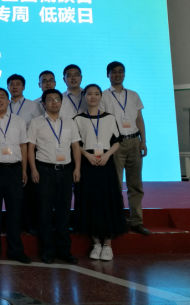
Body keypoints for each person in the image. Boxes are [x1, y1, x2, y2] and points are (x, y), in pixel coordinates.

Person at [27, 88, 81, 265]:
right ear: (43, 104)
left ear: (61, 102)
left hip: (65, 171)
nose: (54, 102)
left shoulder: (70, 122)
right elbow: (30, 148)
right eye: (50, 99)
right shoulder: (36, 123)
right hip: (44, 170)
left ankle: (64, 250)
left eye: (57, 99)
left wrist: (77, 168)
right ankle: (47, 251)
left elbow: (75, 147)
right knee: (45, 212)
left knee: (64, 212)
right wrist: (33, 169)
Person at [73, 84, 126, 261]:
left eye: (96, 94)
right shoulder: (78, 119)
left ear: (101, 97)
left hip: (105, 162)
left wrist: (107, 155)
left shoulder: (109, 118)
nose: (93, 97)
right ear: (84, 96)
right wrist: (87, 155)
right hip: (87, 163)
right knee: (90, 201)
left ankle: (108, 245)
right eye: (89, 94)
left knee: (107, 201)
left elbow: (117, 141)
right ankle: (96, 244)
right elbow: (75, 144)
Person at [0, 88, 31, 265]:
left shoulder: (18, 121)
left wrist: (24, 170)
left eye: (2, 97)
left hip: (15, 170)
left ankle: (16, 250)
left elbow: (23, 146)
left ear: (8, 101)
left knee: (15, 212)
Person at [101, 61, 150, 235]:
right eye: (114, 72)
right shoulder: (103, 96)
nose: (117, 74)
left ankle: (137, 221)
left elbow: (139, 120)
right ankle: (119, 220)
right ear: (108, 75)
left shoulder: (134, 95)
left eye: (120, 71)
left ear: (124, 74)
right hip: (116, 144)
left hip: (134, 141)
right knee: (115, 184)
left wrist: (143, 141)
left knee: (135, 184)